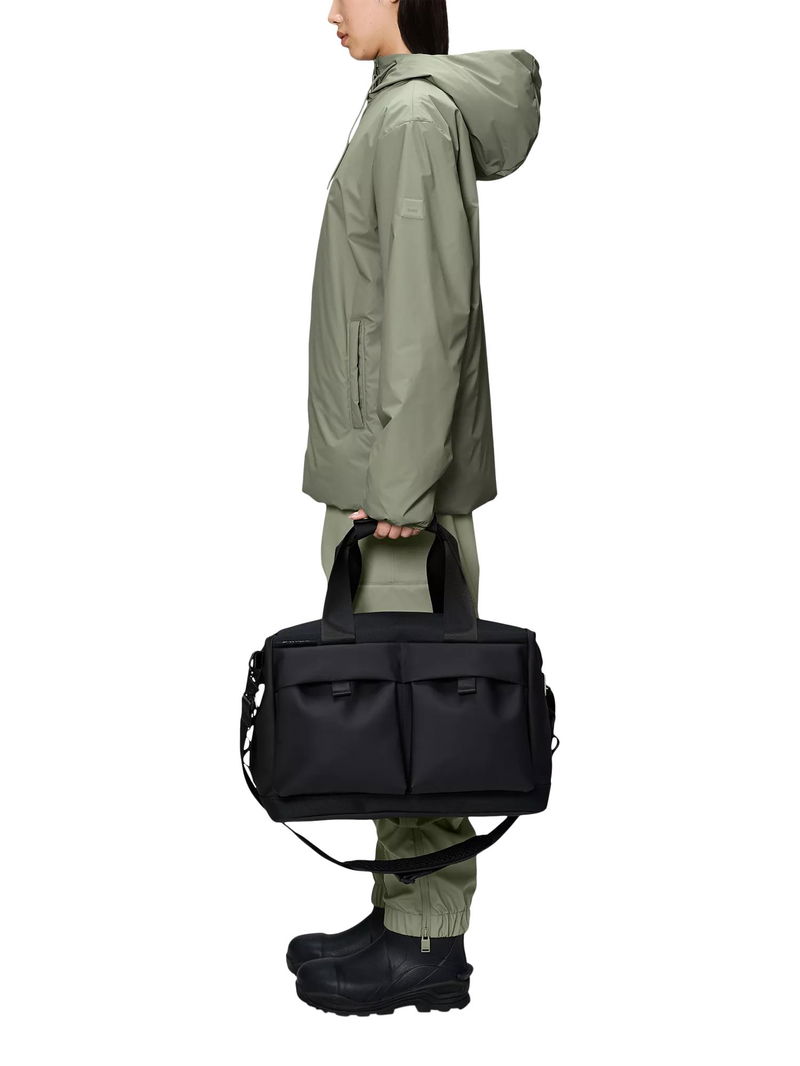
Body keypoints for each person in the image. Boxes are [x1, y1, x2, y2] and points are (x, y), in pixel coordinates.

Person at [290, 0, 542, 1014]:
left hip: (394, 487)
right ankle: (404, 911)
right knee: (391, 710)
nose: (331, 10)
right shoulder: (399, 106)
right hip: (382, 469)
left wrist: (399, 485)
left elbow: (426, 318)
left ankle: (428, 944)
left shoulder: (409, 117)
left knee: (414, 708)